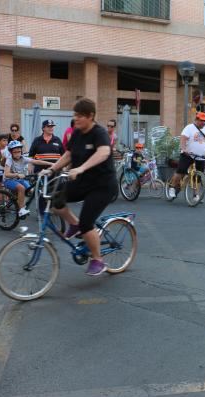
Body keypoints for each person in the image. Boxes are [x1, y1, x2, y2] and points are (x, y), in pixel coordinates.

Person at [40, 98, 118, 276]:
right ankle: (74, 224)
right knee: (55, 199)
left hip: (103, 185)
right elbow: (68, 154)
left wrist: (82, 167)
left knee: (87, 222)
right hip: (83, 181)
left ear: (90, 116)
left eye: (79, 116)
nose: (76, 119)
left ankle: (98, 260)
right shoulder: (77, 132)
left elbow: (103, 152)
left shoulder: (99, 133)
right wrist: (51, 169)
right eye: (74, 115)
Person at [167, 112, 205, 200]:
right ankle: (172, 188)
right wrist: (183, 149)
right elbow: (183, 139)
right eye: (201, 121)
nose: (203, 123)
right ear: (196, 120)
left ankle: (196, 195)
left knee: (198, 176)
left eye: (204, 121)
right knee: (181, 171)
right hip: (188, 155)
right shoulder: (189, 128)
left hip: (200, 156)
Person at [4, 140, 53, 217]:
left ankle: (20, 202)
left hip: (20, 180)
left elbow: (37, 162)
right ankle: (21, 210)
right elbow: (6, 174)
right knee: (21, 188)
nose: (17, 154)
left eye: (19, 151)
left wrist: (51, 164)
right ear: (11, 152)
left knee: (32, 191)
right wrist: (17, 174)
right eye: (15, 152)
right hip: (9, 180)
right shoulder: (9, 160)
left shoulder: (23, 158)